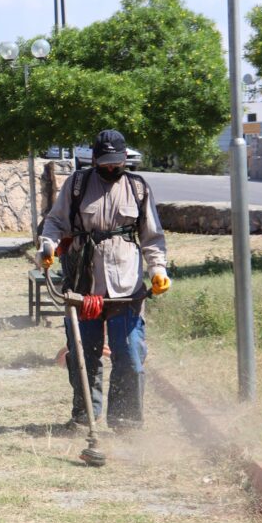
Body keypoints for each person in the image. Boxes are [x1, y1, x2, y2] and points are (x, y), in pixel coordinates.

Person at [37, 129, 171, 432]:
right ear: (94, 159)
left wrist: (158, 270)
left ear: (125, 158)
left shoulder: (138, 188)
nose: (111, 168)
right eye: (105, 162)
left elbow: (152, 236)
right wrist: (47, 247)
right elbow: (55, 222)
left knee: (130, 355)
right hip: (84, 287)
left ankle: (126, 422)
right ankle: (86, 418)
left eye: (117, 162)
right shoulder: (77, 185)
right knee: (85, 355)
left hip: (126, 289)